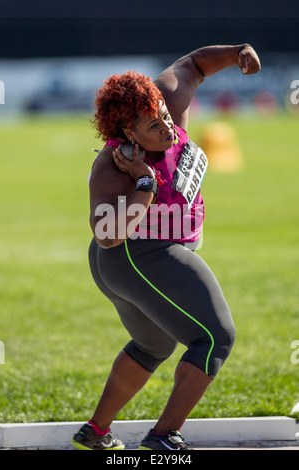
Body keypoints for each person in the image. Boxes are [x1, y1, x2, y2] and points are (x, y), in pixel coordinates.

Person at [71, 44, 261, 451]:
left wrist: (239, 53)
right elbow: (107, 235)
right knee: (215, 336)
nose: (167, 126)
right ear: (126, 134)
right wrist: (144, 185)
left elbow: (192, 65)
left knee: (153, 344)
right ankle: (162, 439)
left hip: (147, 254)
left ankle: (95, 432)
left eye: (163, 115)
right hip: (135, 255)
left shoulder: (165, 105)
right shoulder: (112, 168)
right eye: (153, 126)